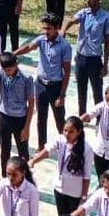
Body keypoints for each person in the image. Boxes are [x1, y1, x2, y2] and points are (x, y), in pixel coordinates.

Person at [30, 116, 93, 216]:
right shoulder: (61, 140)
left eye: (70, 132)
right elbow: (47, 151)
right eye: (65, 130)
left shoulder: (86, 149)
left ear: (78, 132)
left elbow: (87, 175)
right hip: (59, 188)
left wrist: (84, 196)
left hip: (75, 192)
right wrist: (33, 161)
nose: (66, 134)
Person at [14, 14, 71, 150]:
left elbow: (67, 72)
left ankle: (66, 146)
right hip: (40, 85)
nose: (46, 31)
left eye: (49, 29)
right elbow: (28, 47)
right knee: (41, 118)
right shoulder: (41, 40)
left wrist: (61, 95)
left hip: (55, 87)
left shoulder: (64, 46)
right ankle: (41, 146)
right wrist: (13, 54)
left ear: (57, 28)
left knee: (59, 119)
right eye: (44, 28)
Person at [62, 0, 109, 115]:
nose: (87, 0)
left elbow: (107, 43)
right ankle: (82, 116)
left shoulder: (106, 18)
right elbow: (71, 21)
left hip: (95, 60)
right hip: (80, 58)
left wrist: (105, 66)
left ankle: (99, 118)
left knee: (97, 91)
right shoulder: (84, 13)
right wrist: (63, 30)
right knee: (81, 90)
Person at [0, 52, 34, 167]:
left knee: (23, 152)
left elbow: (31, 102)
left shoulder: (26, 78)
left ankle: (26, 179)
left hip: (20, 119)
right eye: (5, 70)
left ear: (16, 65)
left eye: (10, 70)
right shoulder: (0, 72)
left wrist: (27, 127)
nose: (7, 73)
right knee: (4, 151)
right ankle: (5, 177)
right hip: (4, 118)